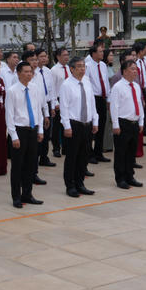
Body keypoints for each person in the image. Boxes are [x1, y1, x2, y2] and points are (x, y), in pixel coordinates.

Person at [6, 63, 45, 208]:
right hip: (19, 130)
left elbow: (38, 109)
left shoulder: (35, 88)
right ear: (18, 73)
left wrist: (40, 130)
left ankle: (27, 194)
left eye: (31, 72)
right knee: (17, 166)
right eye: (26, 72)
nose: (29, 74)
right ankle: (16, 196)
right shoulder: (12, 91)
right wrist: (13, 136)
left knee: (30, 164)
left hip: (33, 129)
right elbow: (9, 115)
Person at [60, 57, 98, 197]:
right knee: (72, 156)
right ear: (72, 69)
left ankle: (80, 183)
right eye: (79, 66)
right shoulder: (66, 85)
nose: (82, 69)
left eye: (84, 66)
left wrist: (95, 121)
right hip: (74, 124)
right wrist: (67, 127)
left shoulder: (87, 82)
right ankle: (70, 186)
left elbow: (91, 103)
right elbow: (64, 107)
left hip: (87, 124)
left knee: (84, 155)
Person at [108, 59, 144, 190]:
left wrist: (141, 122)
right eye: (132, 69)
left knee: (131, 153)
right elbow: (114, 107)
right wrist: (116, 125)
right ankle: (120, 178)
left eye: (136, 69)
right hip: (123, 123)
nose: (135, 71)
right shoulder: (118, 87)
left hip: (134, 123)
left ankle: (130, 176)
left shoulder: (136, 86)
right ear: (124, 71)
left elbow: (139, 104)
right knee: (121, 153)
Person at [84, 42, 111, 163]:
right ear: (94, 53)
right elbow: (87, 83)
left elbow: (105, 82)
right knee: (92, 127)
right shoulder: (88, 66)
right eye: (100, 51)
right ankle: (89, 154)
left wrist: (109, 98)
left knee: (102, 125)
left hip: (102, 98)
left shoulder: (103, 66)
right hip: (93, 98)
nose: (102, 53)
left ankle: (98, 152)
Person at [33, 50, 57, 168]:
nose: (44, 58)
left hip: (47, 103)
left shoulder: (48, 71)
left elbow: (52, 90)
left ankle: (44, 157)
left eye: (45, 56)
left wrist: (52, 106)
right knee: (39, 131)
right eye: (41, 56)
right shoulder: (33, 72)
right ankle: (36, 156)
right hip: (37, 104)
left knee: (47, 132)